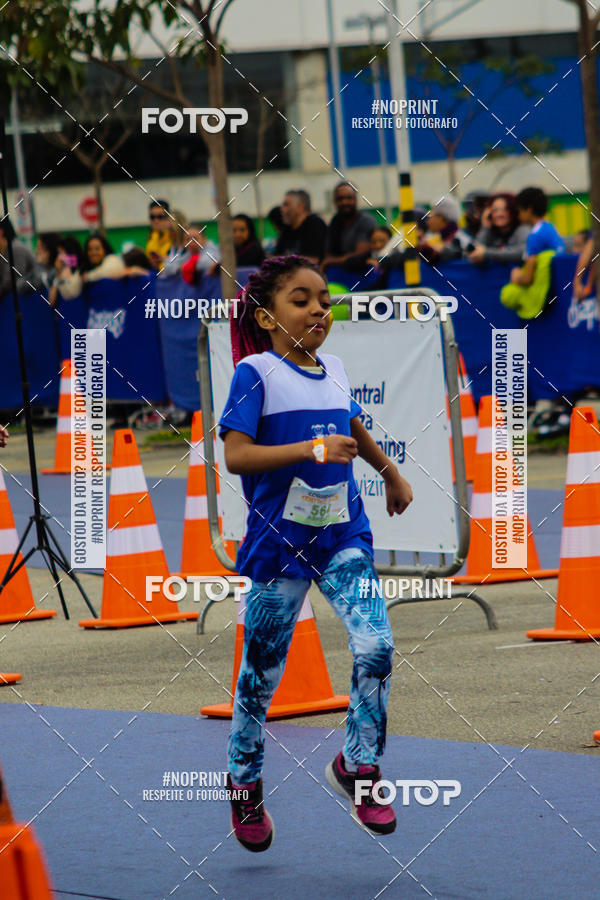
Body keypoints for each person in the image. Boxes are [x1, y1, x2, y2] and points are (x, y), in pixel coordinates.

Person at [219, 254, 413, 852]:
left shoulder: (335, 367)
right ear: (266, 316)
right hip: (279, 545)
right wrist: (311, 449)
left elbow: (351, 427)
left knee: (376, 645)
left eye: (325, 301)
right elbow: (237, 457)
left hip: (340, 537)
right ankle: (244, 781)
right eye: (300, 301)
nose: (318, 311)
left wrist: (390, 472)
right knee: (261, 676)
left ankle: (358, 765)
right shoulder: (254, 373)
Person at [509, 187, 565, 286]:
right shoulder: (550, 227)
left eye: (519, 211)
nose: (518, 216)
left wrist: (516, 277)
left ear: (529, 210)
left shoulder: (535, 236)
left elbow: (528, 279)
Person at [322, 182, 377, 270]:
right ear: (335, 201)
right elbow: (327, 253)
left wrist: (331, 261)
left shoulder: (366, 221)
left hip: (362, 272)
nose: (344, 202)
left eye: (349, 198)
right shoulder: (334, 222)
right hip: (339, 273)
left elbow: (360, 254)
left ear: (356, 199)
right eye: (340, 199)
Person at [467, 193, 530, 267]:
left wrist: (486, 253)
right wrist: (485, 227)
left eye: (505, 209)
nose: (499, 214)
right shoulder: (489, 232)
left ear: (513, 211)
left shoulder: (522, 229)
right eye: (495, 210)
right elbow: (474, 253)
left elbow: (522, 252)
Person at [275, 190, 327, 263]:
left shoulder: (315, 224)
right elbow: (277, 256)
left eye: (286, 205)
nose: (281, 209)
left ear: (300, 207)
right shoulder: (287, 229)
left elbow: (314, 260)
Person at [0, 220, 38, 296]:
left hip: (29, 299)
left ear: (1, 232)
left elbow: (10, 282)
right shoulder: (4, 250)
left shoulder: (16, 249)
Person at [145, 199, 172, 270]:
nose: (156, 221)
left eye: (160, 217)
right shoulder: (152, 235)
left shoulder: (175, 236)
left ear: (168, 217)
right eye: (152, 217)